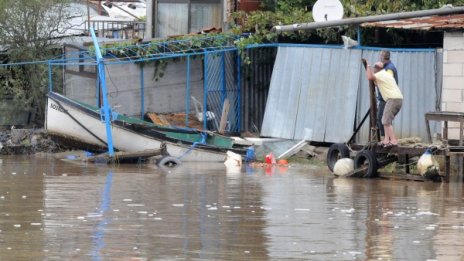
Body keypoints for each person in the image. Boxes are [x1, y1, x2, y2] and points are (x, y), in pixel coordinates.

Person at [366, 61, 403, 148]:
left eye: (375, 67)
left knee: (385, 121)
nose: (374, 69)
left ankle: (393, 141)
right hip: (397, 99)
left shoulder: (380, 74)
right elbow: (375, 81)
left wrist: (368, 66)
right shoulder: (385, 74)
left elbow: (369, 77)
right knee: (386, 120)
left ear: (377, 69)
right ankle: (386, 140)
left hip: (393, 99)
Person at [376, 50, 398, 140]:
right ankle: (387, 140)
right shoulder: (388, 67)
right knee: (385, 120)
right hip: (386, 98)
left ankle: (387, 140)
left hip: (386, 98)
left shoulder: (389, 69)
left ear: (382, 57)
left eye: (380, 56)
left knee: (383, 120)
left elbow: (387, 82)